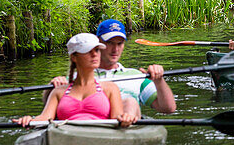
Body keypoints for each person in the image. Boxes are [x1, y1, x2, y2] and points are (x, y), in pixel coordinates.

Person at [48, 19, 177, 115]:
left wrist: (159, 81)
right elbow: (51, 104)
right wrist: (51, 88)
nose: (115, 49)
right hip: (90, 126)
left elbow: (168, 108)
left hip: (124, 127)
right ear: (98, 43)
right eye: (109, 43)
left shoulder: (136, 76)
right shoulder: (77, 77)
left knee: (130, 103)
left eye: (120, 43)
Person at [15, 33, 136, 128]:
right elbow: (44, 118)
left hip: (101, 137)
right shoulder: (59, 92)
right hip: (67, 137)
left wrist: (125, 118)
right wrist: (29, 120)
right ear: (74, 57)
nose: (95, 55)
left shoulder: (110, 88)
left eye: (97, 50)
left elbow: (117, 120)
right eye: (88, 51)